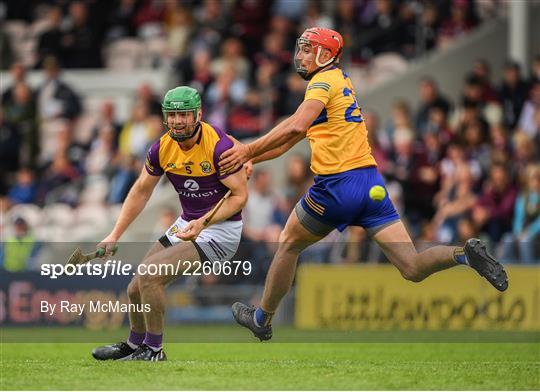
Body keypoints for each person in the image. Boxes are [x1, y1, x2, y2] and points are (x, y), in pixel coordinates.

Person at [219, 27, 508, 342]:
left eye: (306, 49)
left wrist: (246, 150)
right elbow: (293, 137)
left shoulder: (322, 81)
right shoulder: (340, 82)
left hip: (336, 185)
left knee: (289, 242)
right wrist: (251, 156)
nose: (299, 55)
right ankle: (464, 255)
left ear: (325, 54)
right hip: (371, 184)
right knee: (411, 266)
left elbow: (295, 124)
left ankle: (262, 318)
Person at [91, 86, 248, 361]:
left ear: (198, 114)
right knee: (135, 287)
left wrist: (204, 221)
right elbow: (141, 190)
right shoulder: (162, 147)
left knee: (151, 274)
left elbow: (239, 197)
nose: (177, 121)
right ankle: (134, 345)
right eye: (172, 115)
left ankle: (154, 349)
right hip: (188, 223)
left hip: (221, 230)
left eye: (184, 115)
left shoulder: (219, 147)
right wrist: (115, 234)